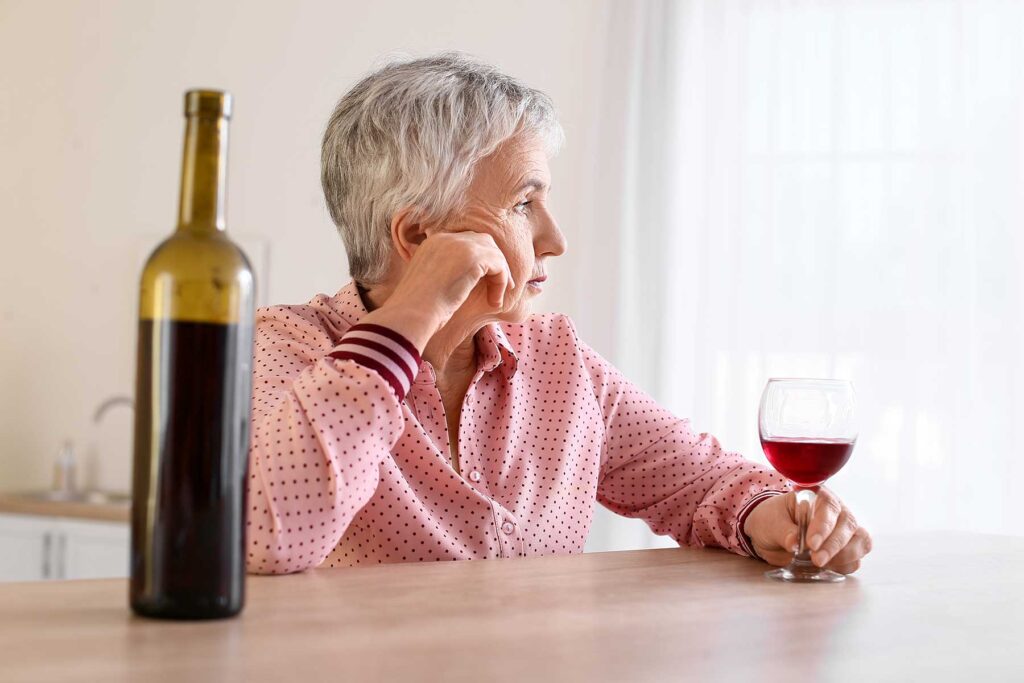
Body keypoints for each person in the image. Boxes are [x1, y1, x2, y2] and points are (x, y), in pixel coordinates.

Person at [246, 52, 872, 574]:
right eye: (524, 203)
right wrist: (413, 312)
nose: (555, 238)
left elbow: (699, 482)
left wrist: (775, 517)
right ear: (417, 237)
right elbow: (272, 536)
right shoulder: (287, 350)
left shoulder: (558, 363)